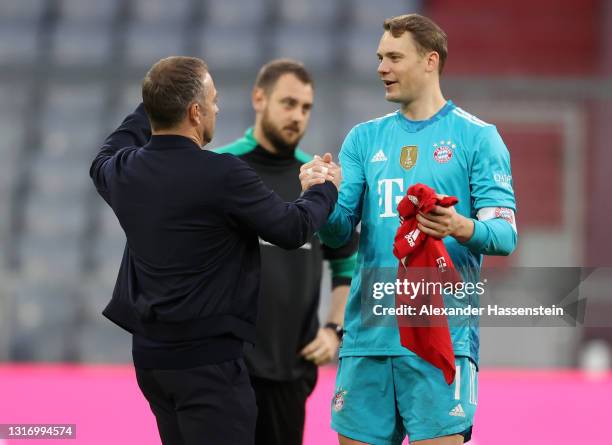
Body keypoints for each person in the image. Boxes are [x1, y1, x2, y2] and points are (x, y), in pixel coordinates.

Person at [89, 56, 340, 445]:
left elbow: (105, 154)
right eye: (213, 100)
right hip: (208, 367)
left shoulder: (123, 171)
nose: (217, 109)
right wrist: (322, 187)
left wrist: (154, 102)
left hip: (153, 362)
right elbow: (292, 229)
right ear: (194, 111)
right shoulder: (222, 174)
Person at [308, 14, 518, 445]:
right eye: (380, 57)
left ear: (429, 61)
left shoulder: (479, 138)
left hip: (440, 342)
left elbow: (505, 235)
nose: (381, 67)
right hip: (367, 341)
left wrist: (461, 226)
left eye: (393, 57)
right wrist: (320, 196)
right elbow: (338, 231)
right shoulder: (363, 140)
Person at [214, 59, 358, 445]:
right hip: (223, 371)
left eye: (306, 107)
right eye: (288, 103)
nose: (298, 116)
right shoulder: (219, 169)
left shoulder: (317, 181)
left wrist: (334, 329)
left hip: (290, 372)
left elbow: (347, 261)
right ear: (259, 98)